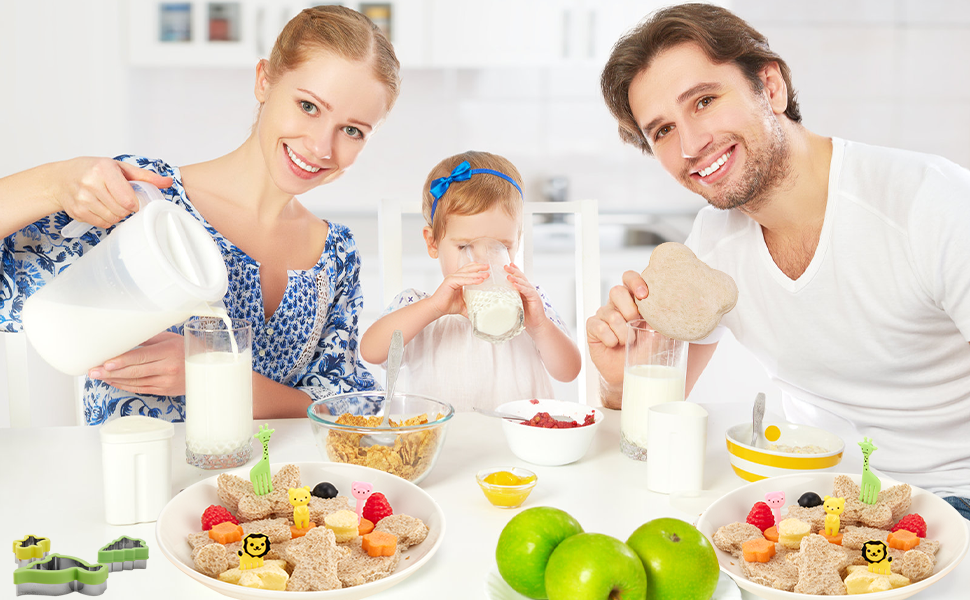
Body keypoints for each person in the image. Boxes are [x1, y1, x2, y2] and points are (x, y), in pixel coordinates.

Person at [589, 3, 970, 514]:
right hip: (815, 500)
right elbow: (656, 424)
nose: (692, 145)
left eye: (703, 101)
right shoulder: (711, 245)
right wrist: (624, 379)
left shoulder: (931, 204)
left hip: (950, 498)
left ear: (770, 86)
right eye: (662, 131)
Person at [0, 6, 400, 424]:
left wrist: (213, 372)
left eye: (352, 130)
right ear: (264, 80)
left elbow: (341, 414)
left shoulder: (334, 254)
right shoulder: (146, 204)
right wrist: (55, 182)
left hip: (277, 488)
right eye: (309, 106)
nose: (321, 147)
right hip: (145, 483)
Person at [360, 151, 581, 411]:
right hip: (444, 444)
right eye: (464, 246)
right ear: (432, 243)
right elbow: (370, 351)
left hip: (520, 442)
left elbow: (569, 371)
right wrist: (433, 309)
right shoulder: (419, 305)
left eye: (500, 246)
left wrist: (540, 325)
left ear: (517, 243)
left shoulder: (530, 305)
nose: (483, 262)